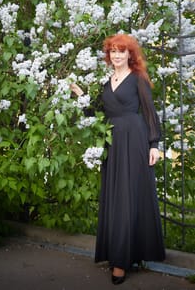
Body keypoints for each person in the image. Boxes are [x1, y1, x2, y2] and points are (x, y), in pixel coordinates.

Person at [70, 33, 165, 285]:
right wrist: (80, 94)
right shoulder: (106, 83)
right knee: (116, 197)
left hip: (135, 140)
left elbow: (149, 111)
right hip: (113, 143)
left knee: (129, 196)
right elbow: (96, 112)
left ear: (130, 54)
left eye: (122, 51)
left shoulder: (137, 79)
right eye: (113, 51)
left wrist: (154, 144)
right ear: (108, 55)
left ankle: (121, 262)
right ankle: (119, 254)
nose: (117, 55)